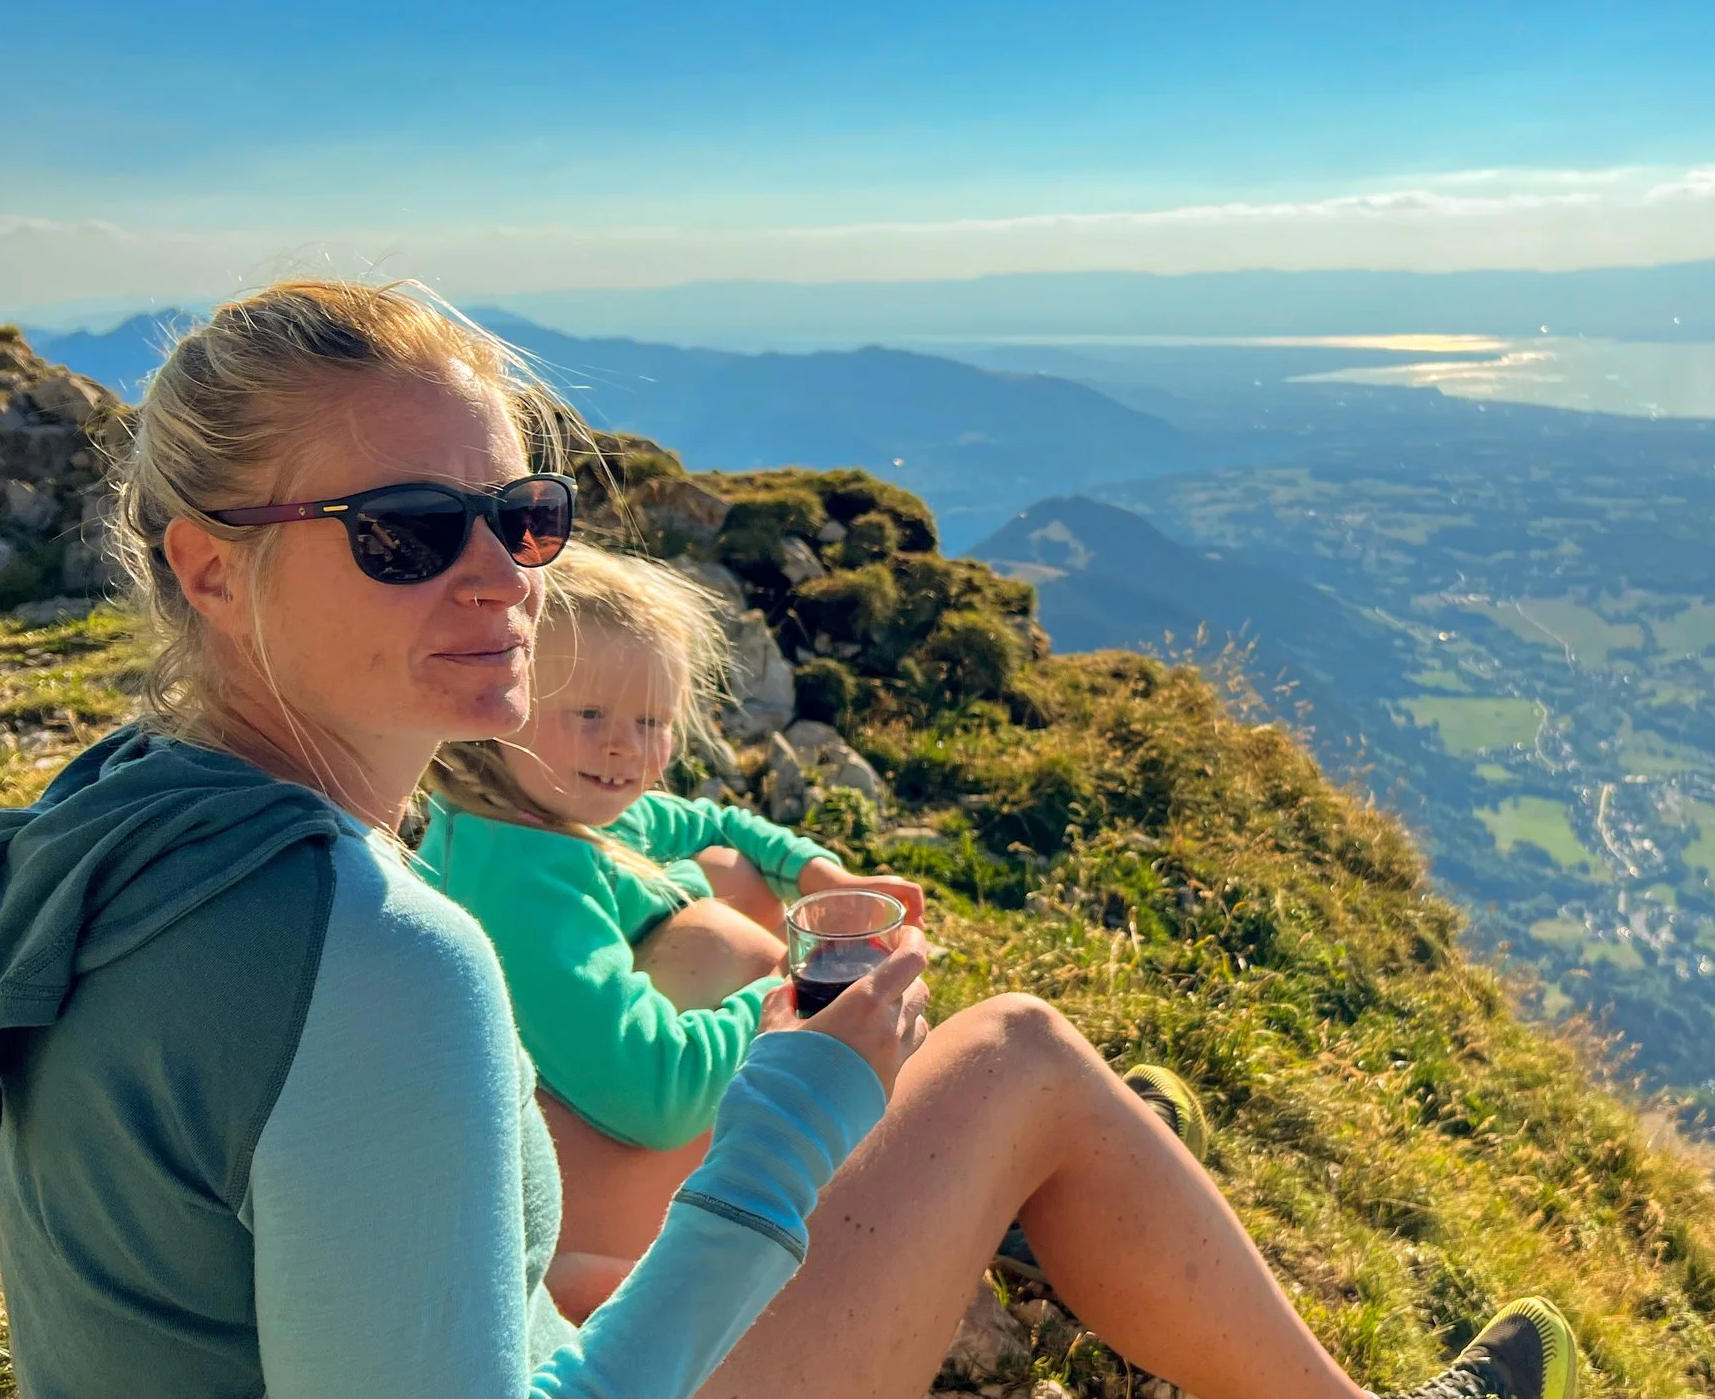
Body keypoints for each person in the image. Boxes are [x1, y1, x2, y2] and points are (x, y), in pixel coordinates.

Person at [0, 279, 1579, 1399]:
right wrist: (796, 1118)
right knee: (1015, 1057)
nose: (499, 580)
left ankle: (974, 1231)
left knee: (749, 1188)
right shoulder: (379, 963)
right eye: (401, 532)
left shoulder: (120, 831)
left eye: (523, 519)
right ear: (209, 569)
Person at [416, 541, 1201, 1314]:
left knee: (726, 869)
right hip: (592, 1212)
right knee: (748, 937)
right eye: (588, 713)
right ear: (504, 695)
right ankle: (970, 1183)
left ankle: (960, 1158)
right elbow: (654, 1092)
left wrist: (822, 876)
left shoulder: (541, 812)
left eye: (652, 721)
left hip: (593, 1162)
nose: (623, 746)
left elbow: (708, 820)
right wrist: (791, 999)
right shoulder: (519, 878)